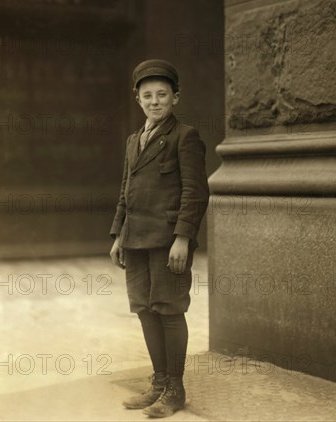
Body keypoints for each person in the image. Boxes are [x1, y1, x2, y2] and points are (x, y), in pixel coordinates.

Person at [109, 59, 209, 418]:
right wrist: (118, 233)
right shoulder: (133, 141)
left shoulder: (186, 137)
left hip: (168, 243)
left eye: (162, 95)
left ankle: (175, 389)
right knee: (145, 310)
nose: (154, 101)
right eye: (147, 95)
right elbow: (126, 190)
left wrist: (182, 238)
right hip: (135, 240)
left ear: (176, 98)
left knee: (168, 310)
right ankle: (158, 382)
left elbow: (195, 193)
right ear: (137, 99)